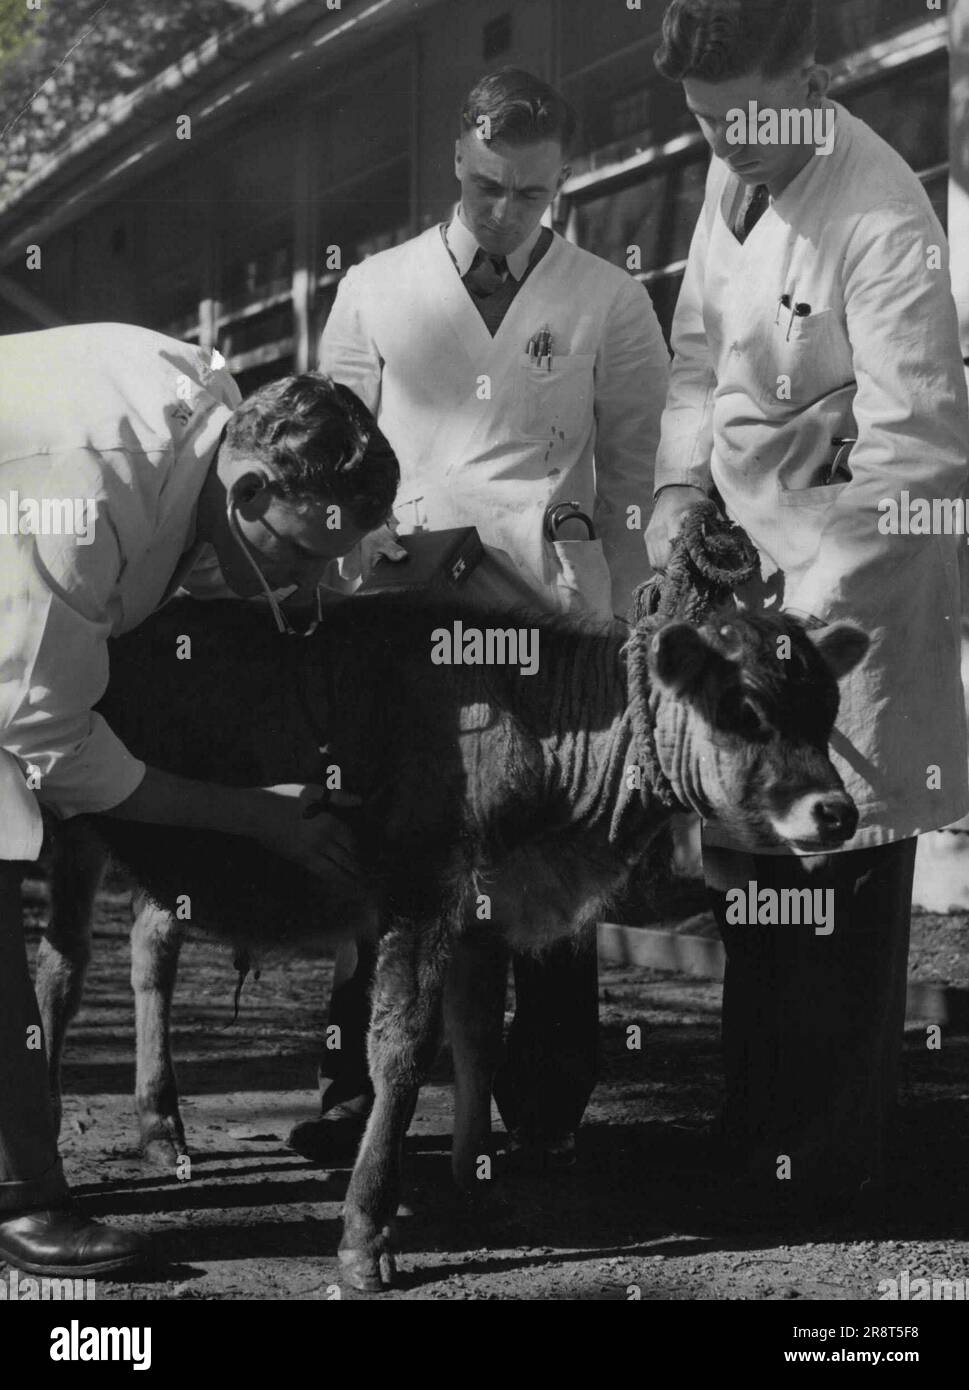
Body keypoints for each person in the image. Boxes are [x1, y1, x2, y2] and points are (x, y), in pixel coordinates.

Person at [290, 66, 670, 1166]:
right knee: (397, 836)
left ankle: (545, 1090)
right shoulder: (374, 289)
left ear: (562, 183)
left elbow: (637, 477)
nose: (508, 211)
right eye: (491, 185)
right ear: (458, 161)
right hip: (409, 607)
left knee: (550, 829)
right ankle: (353, 1086)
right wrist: (352, 583)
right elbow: (332, 458)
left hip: (549, 610)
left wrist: (621, 630)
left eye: (533, 193)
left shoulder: (610, 299)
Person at [646, 0, 969, 1215]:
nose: (727, 148)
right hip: (745, 583)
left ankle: (827, 1180)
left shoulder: (882, 217)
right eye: (702, 125)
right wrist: (679, 486)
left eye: (745, 120)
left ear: (815, 77)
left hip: (845, 606)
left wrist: (790, 630)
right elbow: (693, 357)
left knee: (834, 893)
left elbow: (926, 457)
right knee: (757, 899)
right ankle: (752, 1143)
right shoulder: (733, 174)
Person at [0, 322, 399, 1274]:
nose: (306, 589)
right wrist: (253, 811)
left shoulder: (210, 408)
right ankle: (21, 1197)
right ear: (252, 491)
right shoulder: (89, 494)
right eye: (301, 560)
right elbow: (41, 735)